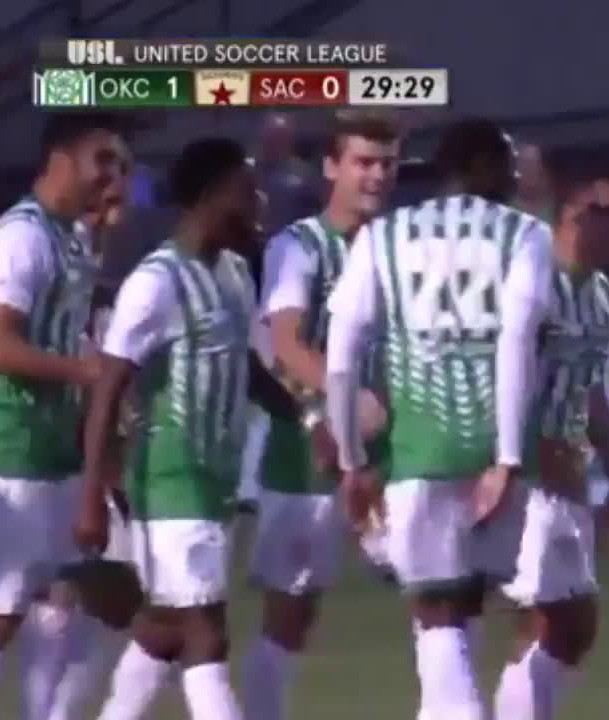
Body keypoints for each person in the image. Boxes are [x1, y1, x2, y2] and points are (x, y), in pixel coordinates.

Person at [325, 117, 551, 720]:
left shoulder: (384, 236)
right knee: (463, 608)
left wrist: (351, 461)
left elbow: (342, 356)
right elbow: (517, 339)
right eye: (506, 163)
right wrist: (506, 457)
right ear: (480, 166)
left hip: (420, 450)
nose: (514, 176)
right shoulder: (526, 234)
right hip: (497, 450)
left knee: (435, 615)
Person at [76, 137, 300, 720]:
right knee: (206, 633)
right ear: (210, 196)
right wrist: (93, 494)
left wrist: (308, 418)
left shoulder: (233, 273)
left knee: (165, 628)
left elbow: (248, 369)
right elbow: (108, 387)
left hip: (214, 483)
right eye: (247, 192)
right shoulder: (156, 283)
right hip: (170, 481)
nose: (258, 204)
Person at [0, 112, 128, 720]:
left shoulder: (69, 237)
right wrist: (85, 372)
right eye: (102, 160)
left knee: (86, 595)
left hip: (52, 445)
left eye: (119, 164)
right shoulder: (21, 235)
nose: (113, 176)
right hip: (10, 445)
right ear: (60, 159)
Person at [242, 110, 402, 720]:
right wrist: (338, 407)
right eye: (363, 162)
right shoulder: (299, 246)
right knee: (291, 612)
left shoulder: (397, 246)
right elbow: (284, 343)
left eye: (387, 164)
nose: (377, 176)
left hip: (391, 452)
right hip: (306, 455)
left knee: (443, 592)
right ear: (332, 167)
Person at [491, 151, 609, 720]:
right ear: (575, 212)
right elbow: (498, 374)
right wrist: (509, 459)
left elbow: (590, 386)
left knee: (576, 625)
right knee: (542, 619)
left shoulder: (602, 294)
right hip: (528, 474)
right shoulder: (532, 280)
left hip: (571, 478)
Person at [46, 151, 144, 720]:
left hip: (90, 466)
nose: (108, 219)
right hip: (45, 460)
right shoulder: (50, 279)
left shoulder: (106, 297)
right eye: (99, 207)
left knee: (106, 602)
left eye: (116, 205)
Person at [251, 112, 322, 238]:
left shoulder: (304, 176)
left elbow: (313, 217)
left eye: (280, 137)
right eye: (270, 136)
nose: (273, 143)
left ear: (289, 141)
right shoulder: (245, 171)